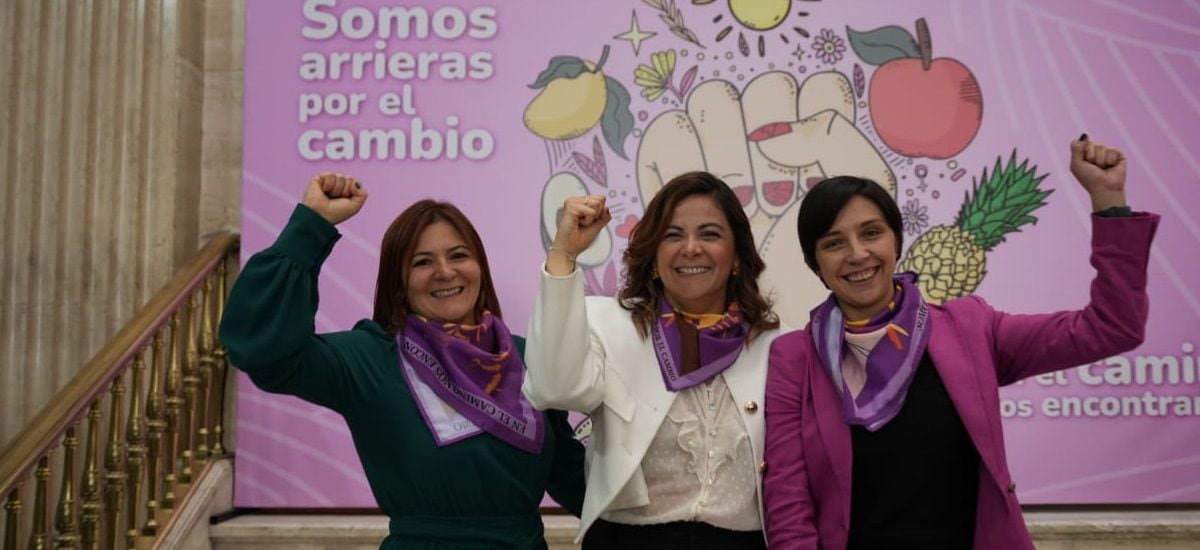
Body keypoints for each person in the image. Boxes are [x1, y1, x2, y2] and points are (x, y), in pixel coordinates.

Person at [762, 137, 1159, 549]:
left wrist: (1109, 200)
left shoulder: (968, 329)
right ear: (816, 263)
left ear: (895, 241)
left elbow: (1112, 327)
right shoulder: (796, 358)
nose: (858, 254)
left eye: (871, 233)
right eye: (833, 243)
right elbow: (788, 501)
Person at [219, 173, 585, 549]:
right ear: (399, 283)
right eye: (422, 262)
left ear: (480, 268)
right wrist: (310, 226)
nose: (445, 272)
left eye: (459, 255)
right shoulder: (370, 359)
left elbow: (570, 473)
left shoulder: (528, 357)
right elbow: (263, 350)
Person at [522, 171, 783, 549]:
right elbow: (552, 388)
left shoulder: (778, 343)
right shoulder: (606, 323)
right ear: (654, 257)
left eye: (710, 234)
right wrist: (563, 254)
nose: (690, 248)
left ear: (739, 258)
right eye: (672, 235)